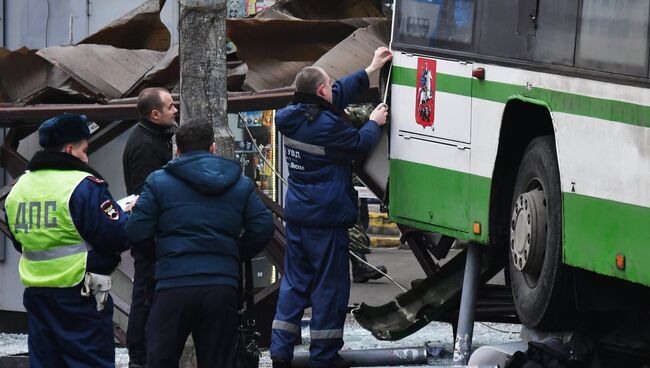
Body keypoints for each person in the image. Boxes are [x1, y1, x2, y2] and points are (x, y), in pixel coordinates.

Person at [270, 46, 393, 368]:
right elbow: (358, 144)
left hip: (299, 215)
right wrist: (373, 121)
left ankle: (280, 351)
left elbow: (333, 94)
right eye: (329, 85)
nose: (333, 89)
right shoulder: (326, 125)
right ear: (321, 91)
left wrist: (369, 70)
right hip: (325, 219)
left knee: (295, 284)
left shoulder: (290, 116)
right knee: (329, 289)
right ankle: (324, 357)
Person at [124, 121, 274, 368]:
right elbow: (263, 228)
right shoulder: (240, 182)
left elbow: (136, 230)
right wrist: (233, 253)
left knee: (160, 358)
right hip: (221, 286)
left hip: (173, 284)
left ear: (177, 151)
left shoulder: (158, 182)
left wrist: (160, 256)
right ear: (214, 148)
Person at [5, 113, 130, 367]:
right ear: (70, 149)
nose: (87, 157)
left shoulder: (19, 188)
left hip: (37, 294)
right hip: (80, 294)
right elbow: (116, 236)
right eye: (85, 150)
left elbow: (22, 243)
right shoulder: (83, 185)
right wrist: (126, 214)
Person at [122, 87, 177, 368]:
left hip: (154, 233)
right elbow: (145, 196)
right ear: (155, 114)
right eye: (170, 107)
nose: (175, 109)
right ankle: (140, 356)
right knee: (145, 296)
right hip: (150, 237)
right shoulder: (145, 145)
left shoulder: (156, 137)